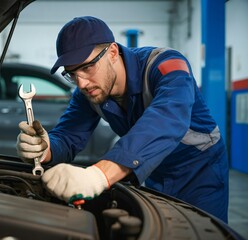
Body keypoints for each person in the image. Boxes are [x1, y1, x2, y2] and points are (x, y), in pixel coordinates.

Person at [16, 16, 229, 223]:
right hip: (155, 172)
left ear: (113, 52)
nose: (81, 83)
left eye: (87, 67)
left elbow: (166, 120)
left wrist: (98, 175)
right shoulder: (89, 92)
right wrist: (45, 147)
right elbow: (67, 136)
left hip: (201, 172)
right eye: (71, 74)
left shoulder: (167, 65)